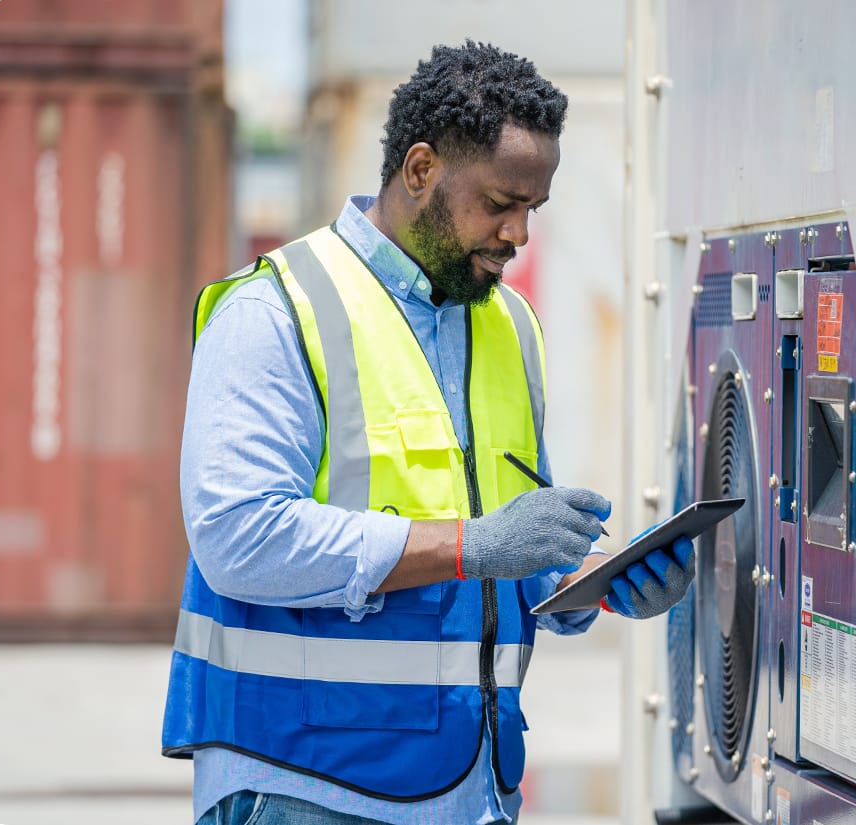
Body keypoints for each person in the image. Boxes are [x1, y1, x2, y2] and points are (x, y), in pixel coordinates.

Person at [162, 40, 696, 825]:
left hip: (469, 789)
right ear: (420, 170)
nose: (519, 233)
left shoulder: (509, 326)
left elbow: (501, 554)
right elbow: (235, 534)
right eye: (500, 203)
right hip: (302, 783)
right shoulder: (275, 311)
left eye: (533, 210)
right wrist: (472, 544)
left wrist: (594, 581)